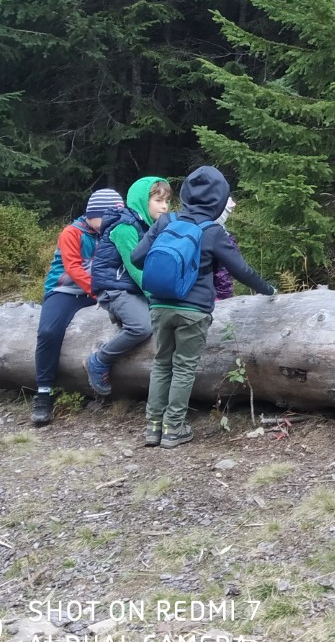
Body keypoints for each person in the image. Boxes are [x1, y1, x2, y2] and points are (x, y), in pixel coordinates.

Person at [131, 166, 276, 449]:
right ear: (219, 199)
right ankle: (174, 428)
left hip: (159, 305)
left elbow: (138, 258)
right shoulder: (212, 232)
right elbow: (241, 270)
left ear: (185, 194)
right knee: (183, 368)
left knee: (161, 364)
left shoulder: (165, 221)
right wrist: (268, 290)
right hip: (193, 311)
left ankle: (153, 428)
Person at [31, 188, 125, 426]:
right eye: (105, 218)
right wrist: (97, 292)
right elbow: (74, 269)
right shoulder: (72, 233)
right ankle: (43, 393)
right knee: (48, 332)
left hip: (98, 291)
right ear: (92, 215)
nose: (109, 223)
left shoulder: (113, 232)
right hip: (64, 291)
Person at [84, 177, 172, 397]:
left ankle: (124, 315)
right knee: (142, 327)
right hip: (114, 288)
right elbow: (135, 268)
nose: (164, 206)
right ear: (143, 200)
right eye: (158, 200)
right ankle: (99, 360)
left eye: (167, 201)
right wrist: (157, 295)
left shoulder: (149, 226)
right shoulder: (125, 226)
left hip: (131, 288)